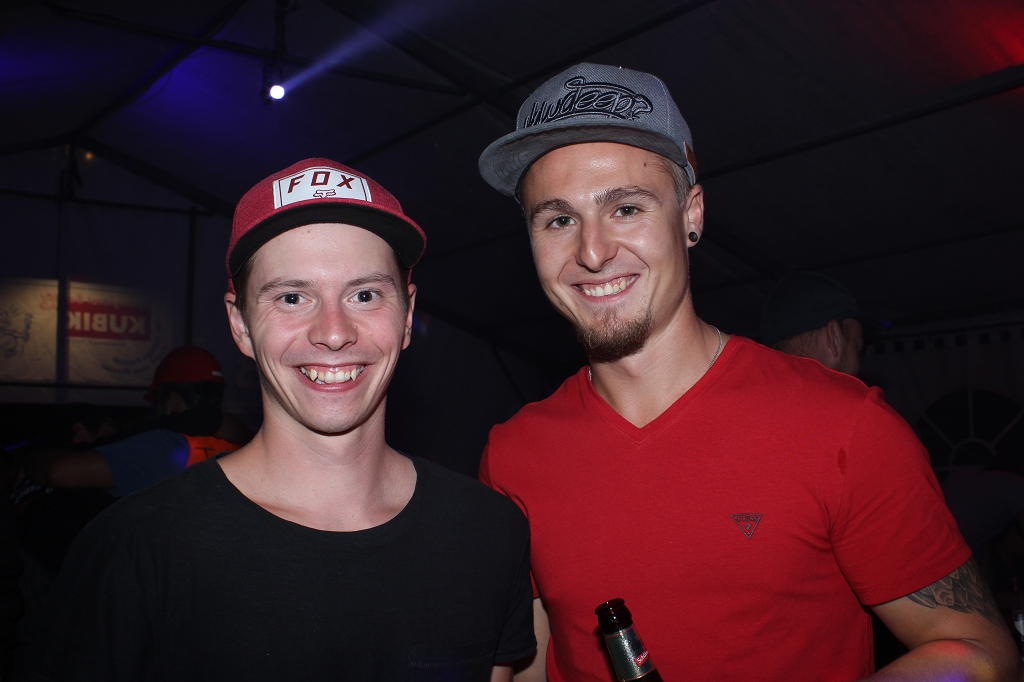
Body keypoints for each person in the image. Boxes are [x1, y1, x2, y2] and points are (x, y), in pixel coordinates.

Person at [476, 63, 1019, 681]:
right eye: (558, 219)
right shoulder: (513, 454)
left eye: (625, 208)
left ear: (692, 214)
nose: (592, 252)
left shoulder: (843, 428)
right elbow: (528, 663)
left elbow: (981, 653)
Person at [30, 158, 535, 680]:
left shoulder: (487, 533)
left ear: (407, 316)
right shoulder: (135, 548)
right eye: (292, 298)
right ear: (241, 325)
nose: (334, 332)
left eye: (364, 295)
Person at [22, 346, 252, 499]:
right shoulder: (240, 447)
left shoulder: (160, 445)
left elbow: (57, 472)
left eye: (158, 402)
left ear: (171, 400)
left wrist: (28, 460)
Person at [760, 270, 865, 376]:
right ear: (834, 337)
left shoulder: (753, 383)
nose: (859, 365)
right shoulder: (854, 388)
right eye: (857, 349)